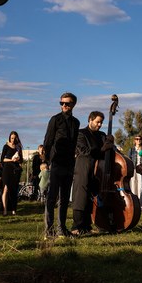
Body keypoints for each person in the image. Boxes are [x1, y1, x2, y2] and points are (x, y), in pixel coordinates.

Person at [42, 92, 80, 237]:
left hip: (69, 163)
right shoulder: (55, 120)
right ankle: (49, 230)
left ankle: (61, 229)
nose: (64, 105)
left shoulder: (76, 122)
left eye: (67, 103)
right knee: (51, 198)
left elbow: (75, 142)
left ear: (73, 105)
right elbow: (48, 141)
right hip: (56, 163)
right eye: (62, 103)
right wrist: (45, 161)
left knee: (64, 198)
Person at [70, 111, 110, 235]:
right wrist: (102, 149)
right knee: (80, 197)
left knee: (90, 198)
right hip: (84, 167)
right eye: (98, 122)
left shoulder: (102, 135)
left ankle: (87, 226)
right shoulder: (81, 133)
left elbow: (108, 151)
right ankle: (76, 227)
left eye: (101, 122)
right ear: (90, 120)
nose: (99, 125)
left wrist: (111, 142)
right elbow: (84, 151)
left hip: (99, 170)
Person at [0, 132, 23, 216]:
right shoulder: (5, 146)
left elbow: (21, 160)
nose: (13, 140)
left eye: (15, 138)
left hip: (15, 170)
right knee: (5, 189)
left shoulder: (18, 147)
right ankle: (5, 210)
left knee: (13, 190)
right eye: (12, 138)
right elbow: (2, 160)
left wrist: (18, 159)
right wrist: (11, 160)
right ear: (9, 138)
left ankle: (13, 209)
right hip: (7, 170)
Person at [128, 136, 142, 201]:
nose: (138, 140)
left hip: (141, 168)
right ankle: (134, 199)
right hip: (133, 168)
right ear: (135, 141)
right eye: (137, 139)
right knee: (133, 183)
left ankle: (140, 199)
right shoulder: (131, 150)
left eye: (140, 139)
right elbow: (129, 159)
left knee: (141, 183)